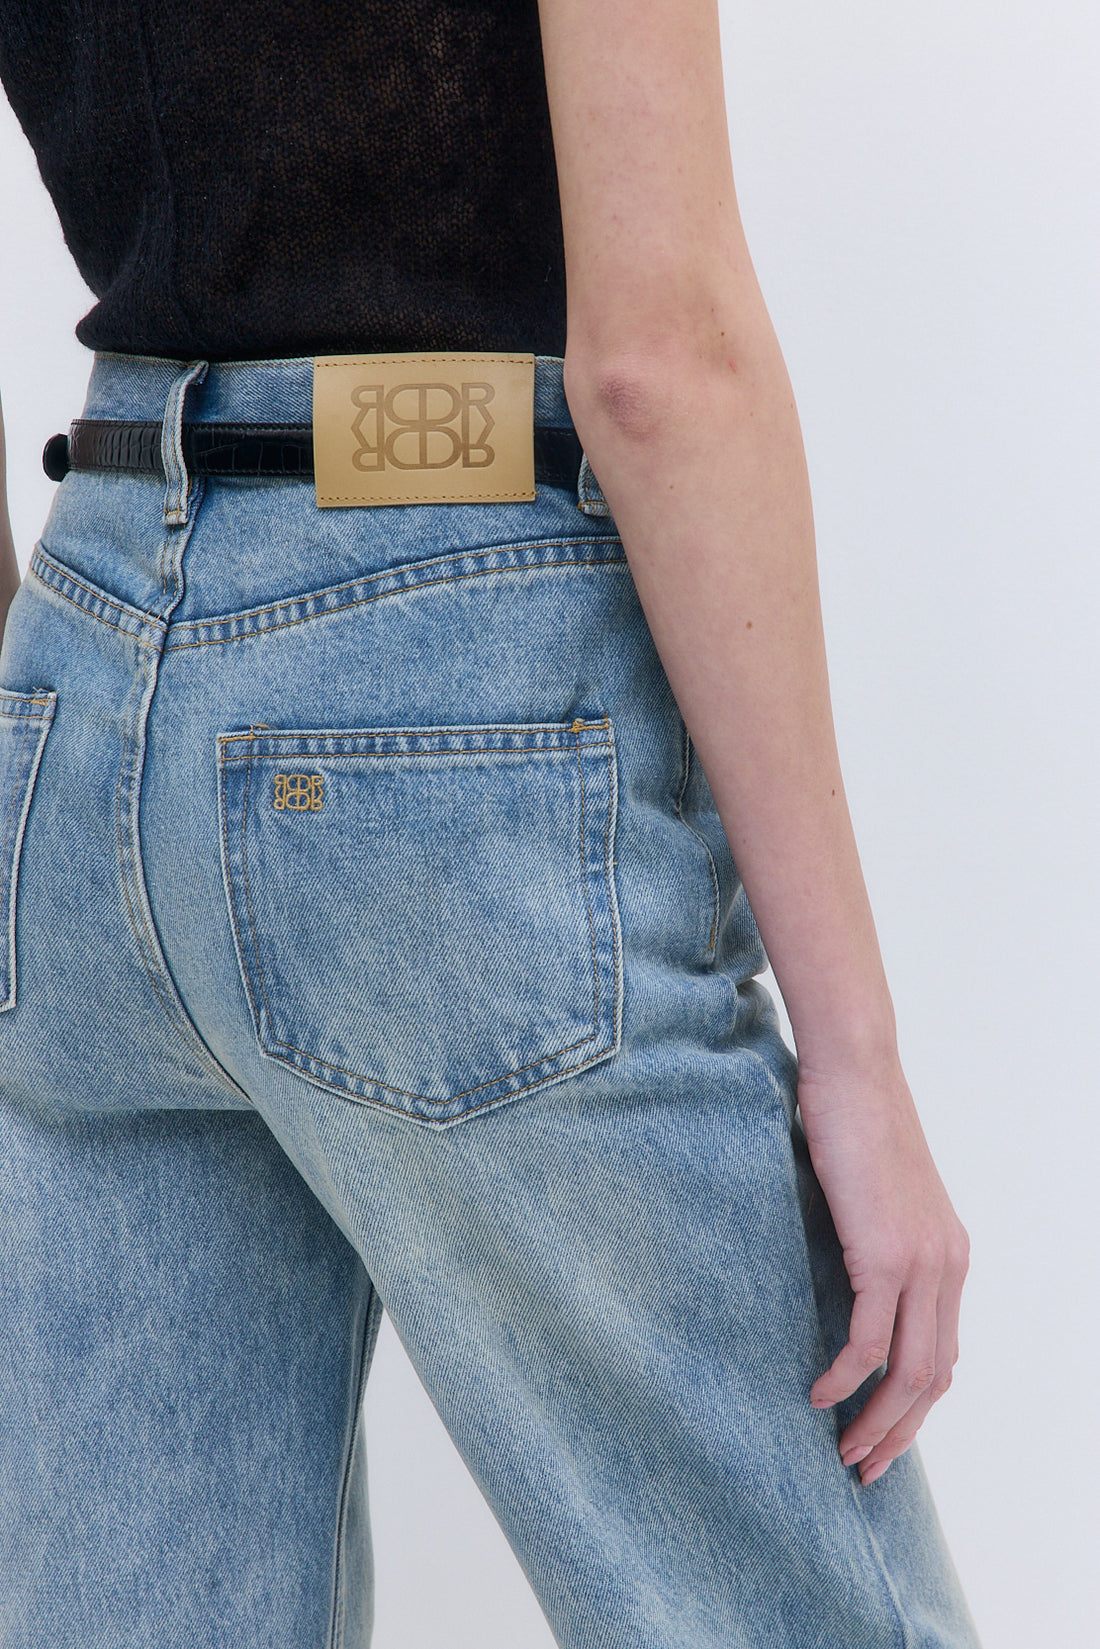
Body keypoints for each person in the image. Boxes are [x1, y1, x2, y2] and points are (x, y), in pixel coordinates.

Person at [0, 1, 983, 1645]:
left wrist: (43, 762)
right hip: (449, 679)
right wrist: (856, 1058)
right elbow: (658, 366)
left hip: (73, 690)